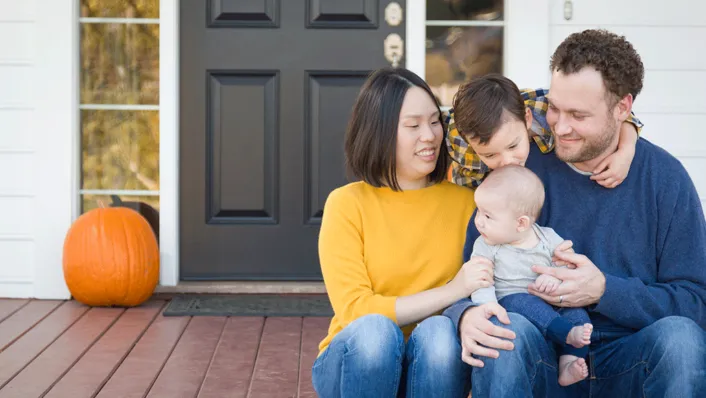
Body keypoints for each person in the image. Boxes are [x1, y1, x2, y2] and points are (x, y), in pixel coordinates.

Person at [444, 29, 706, 397]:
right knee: (504, 335)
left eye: (578, 115)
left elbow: (696, 302)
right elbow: (475, 270)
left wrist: (604, 290)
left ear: (623, 109)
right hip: (541, 354)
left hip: (632, 357)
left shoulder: (664, 179)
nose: (560, 126)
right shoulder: (515, 167)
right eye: (553, 108)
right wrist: (465, 316)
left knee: (681, 341)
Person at [312, 67, 513, 398]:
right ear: (379, 132)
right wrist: (453, 290)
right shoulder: (347, 204)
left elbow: (525, 112)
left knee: (439, 332)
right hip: (356, 364)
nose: (430, 135)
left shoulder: (469, 204)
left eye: (435, 121)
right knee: (376, 332)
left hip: (436, 363)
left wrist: (625, 130)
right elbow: (355, 311)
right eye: (413, 125)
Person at [468, 165, 592, 387]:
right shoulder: (486, 245)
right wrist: (486, 306)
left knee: (577, 312)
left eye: (488, 215)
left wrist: (556, 277)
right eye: (478, 211)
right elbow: (480, 280)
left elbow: (570, 267)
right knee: (522, 301)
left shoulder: (548, 238)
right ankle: (565, 333)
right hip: (513, 306)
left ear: (521, 223)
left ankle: (569, 362)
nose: (479, 221)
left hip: (553, 303)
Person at [446, 74, 642, 189]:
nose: (507, 161)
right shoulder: (458, 137)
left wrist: (626, 151)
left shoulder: (549, 109)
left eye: (513, 145)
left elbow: (617, 113)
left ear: (527, 118)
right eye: (489, 154)